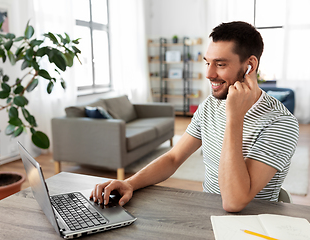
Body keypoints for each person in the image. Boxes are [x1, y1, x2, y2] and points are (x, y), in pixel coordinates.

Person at [91, 21, 299, 212]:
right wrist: (130, 182)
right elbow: (173, 158)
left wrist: (234, 118)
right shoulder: (210, 105)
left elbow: (234, 201)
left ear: (250, 66)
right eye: (207, 62)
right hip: (207, 211)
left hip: (254, 221)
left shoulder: (281, 123)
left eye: (220, 64)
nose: (209, 74)